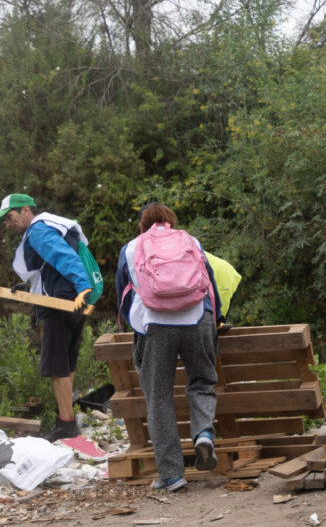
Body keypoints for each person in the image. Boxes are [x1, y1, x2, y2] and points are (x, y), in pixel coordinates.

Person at [115, 204, 222, 492]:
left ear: (142, 225)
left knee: (158, 397)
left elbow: (124, 299)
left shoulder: (131, 248)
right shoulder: (191, 241)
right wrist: (215, 321)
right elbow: (210, 286)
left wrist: (138, 328)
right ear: (171, 221)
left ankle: (172, 475)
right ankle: (203, 434)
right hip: (197, 319)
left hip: (155, 326)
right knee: (201, 381)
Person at [1, 194, 93, 441]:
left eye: (9, 218)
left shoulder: (38, 230)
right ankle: (68, 420)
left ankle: (66, 423)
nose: (7, 225)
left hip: (59, 304)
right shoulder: (54, 225)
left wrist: (83, 285)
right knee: (66, 363)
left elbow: (64, 257)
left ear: (25, 211)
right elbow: (50, 266)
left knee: (56, 366)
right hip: (73, 303)